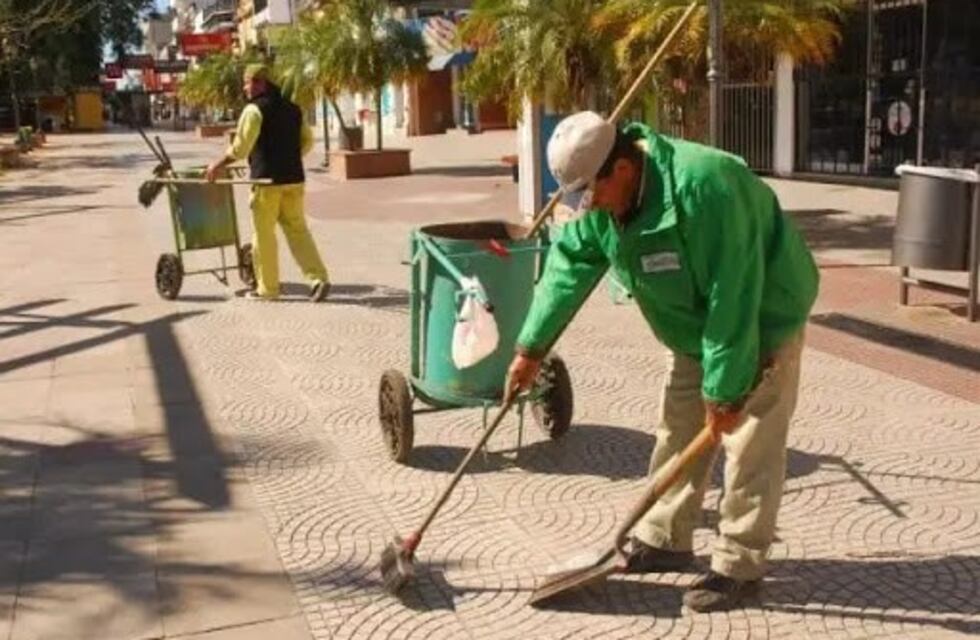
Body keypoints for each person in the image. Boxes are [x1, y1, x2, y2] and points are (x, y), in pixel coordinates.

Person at [505, 111, 819, 612]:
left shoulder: (707, 187)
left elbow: (732, 299)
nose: (587, 205)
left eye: (591, 191)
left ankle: (740, 563)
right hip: (692, 327)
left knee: (748, 442)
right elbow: (571, 262)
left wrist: (724, 394)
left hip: (762, 314)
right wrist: (530, 349)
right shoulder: (606, 205)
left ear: (623, 171)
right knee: (677, 426)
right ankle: (665, 537)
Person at [206, 63, 329, 302]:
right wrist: (288, 158)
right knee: (298, 231)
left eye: (248, 82)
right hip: (294, 180)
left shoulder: (254, 111)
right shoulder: (293, 109)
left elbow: (241, 148)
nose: (245, 88)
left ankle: (268, 289)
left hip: (266, 182)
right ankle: (318, 279)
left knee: (263, 235)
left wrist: (217, 165)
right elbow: (308, 142)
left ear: (261, 83)